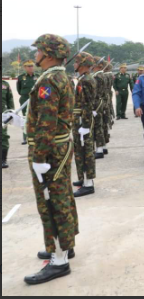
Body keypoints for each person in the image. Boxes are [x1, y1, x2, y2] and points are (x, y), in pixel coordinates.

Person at [23, 34, 79, 285]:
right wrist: (22, 123)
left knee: (52, 204)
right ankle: (64, 246)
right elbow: (43, 116)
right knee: (62, 198)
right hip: (57, 148)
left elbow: (47, 122)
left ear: (49, 54)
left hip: (50, 151)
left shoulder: (49, 80)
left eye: (38, 51)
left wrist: (39, 157)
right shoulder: (57, 77)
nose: (35, 55)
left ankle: (59, 259)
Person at [71, 52, 98, 197]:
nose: (74, 64)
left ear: (83, 64)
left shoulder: (86, 81)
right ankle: (83, 178)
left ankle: (88, 184)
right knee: (80, 151)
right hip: (80, 119)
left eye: (76, 62)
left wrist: (86, 125)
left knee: (85, 152)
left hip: (83, 120)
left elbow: (88, 104)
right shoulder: (83, 79)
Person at [17, 60, 38, 145]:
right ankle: (25, 137)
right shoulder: (21, 77)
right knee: (25, 118)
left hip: (36, 99)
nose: (31, 67)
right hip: (24, 99)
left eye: (32, 66)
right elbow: (19, 90)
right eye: (28, 66)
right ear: (25, 67)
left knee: (36, 117)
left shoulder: (38, 76)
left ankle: (36, 136)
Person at [2, 77, 15, 168]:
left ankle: (3, 160)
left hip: (3, 115)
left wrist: (11, 112)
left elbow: (10, 99)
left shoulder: (5, 84)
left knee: (3, 136)